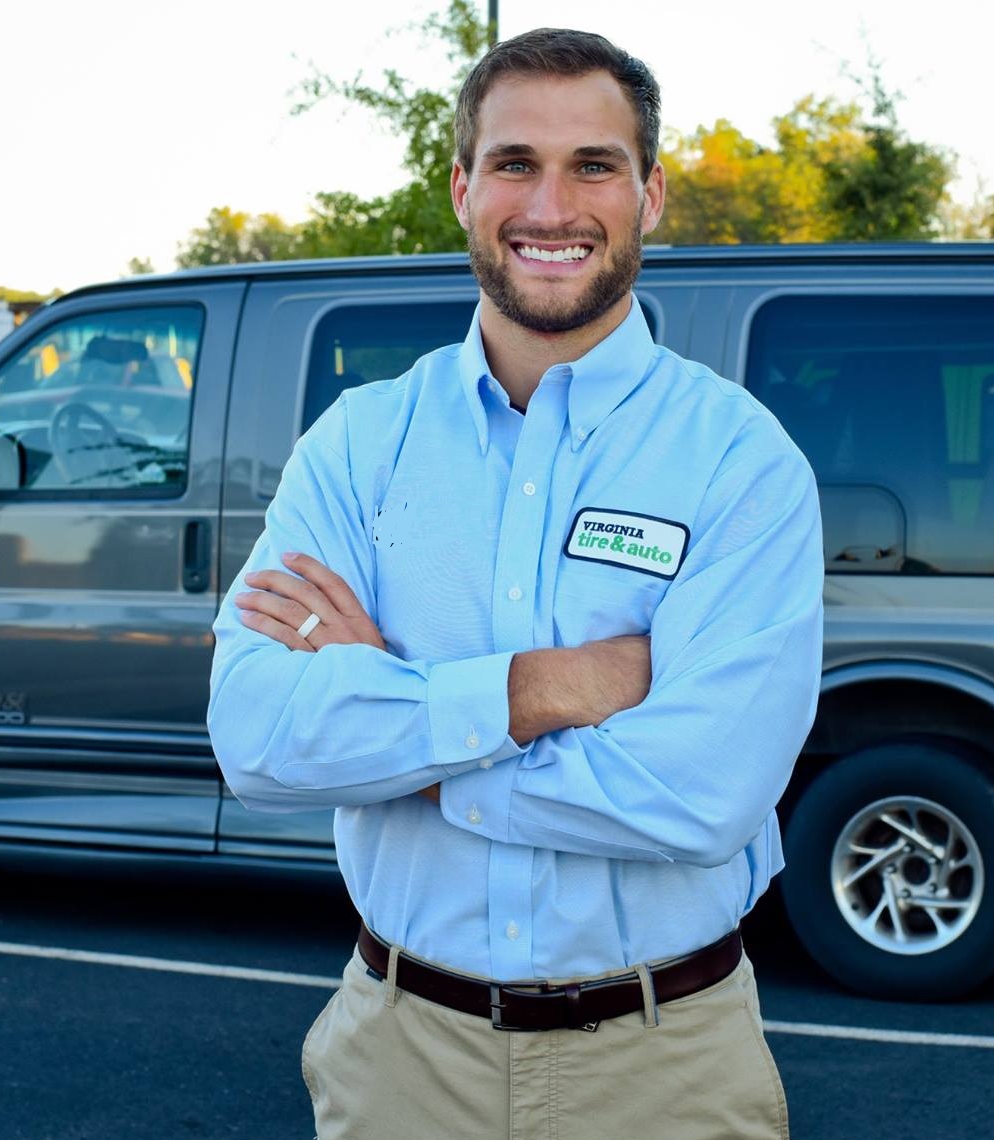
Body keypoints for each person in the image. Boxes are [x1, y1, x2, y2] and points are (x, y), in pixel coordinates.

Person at [208, 26, 822, 1140]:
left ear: (652, 194)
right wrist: (547, 689)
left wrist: (396, 728)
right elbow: (257, 737)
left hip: (665, 1062)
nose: (552, 206)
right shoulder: (359, 445)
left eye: (594, 165)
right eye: (514, 163)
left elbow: (704, 793)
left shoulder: (739, 459)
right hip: (399, 1054)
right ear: (461, 188)